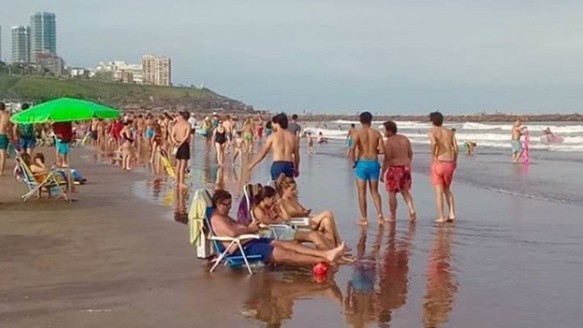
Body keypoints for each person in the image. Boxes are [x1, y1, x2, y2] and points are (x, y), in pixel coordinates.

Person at [210, 189, 347, 267]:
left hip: (249, 241)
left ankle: (327, 254)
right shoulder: (217, 218)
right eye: (225, 205)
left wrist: (249, 228)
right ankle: (326, 259)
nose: (228, 207)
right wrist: (250, 229)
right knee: (289, 255)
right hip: (241, 249)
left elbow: (239, 227)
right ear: (217, 203)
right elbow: (233, 232)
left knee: (289, 245)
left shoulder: (224, 216)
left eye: (229, 204)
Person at [252, 185, 333, 250]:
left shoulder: (270, 208)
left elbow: (287, 218)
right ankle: (328, 256)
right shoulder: (257, 209)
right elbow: (265, 221)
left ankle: (330, 252)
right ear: (266, 199)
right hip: (275, 233)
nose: (274, 201)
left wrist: (281, 206)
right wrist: (279, 221)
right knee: (313, 235)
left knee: (318, 235)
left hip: (283, 229)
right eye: (272, 199)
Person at [276, 174, 344, 247]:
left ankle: (332, 248)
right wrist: (298, 213)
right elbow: (287, 217)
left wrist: (305, 212)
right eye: (292, 189)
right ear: (284, 189)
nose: (294, 191)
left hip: (307, 221)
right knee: (328, 213)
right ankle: (339, 241)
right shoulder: (281, 202)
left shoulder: (293, 200)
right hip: (300, 225)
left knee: (327, 221)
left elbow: (303, 210)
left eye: (295, 189)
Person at [349, 111, 385, 225]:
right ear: (371, 120)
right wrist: (374, 151)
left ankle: (364, 218)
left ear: (360, 121)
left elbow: (352, 149)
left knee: (361, 192)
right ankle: (380, 215)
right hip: (374, 163)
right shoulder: (377, 133)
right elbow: (383, 150)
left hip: (362, 163)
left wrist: (353, 162)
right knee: (375, 191)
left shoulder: (357, 133)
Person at [380, 121, 416, 222]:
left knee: (392, 193)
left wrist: (383, 173)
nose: (383, 132)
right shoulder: (405, 139)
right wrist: (407, 163)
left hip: (395, 168)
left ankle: (392, 215)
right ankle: (411, 209)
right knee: (405, 191)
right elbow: (410, 153)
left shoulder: (389, 142)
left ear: (389, 130)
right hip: (406, 167)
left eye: (384, 130)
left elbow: (387, 159)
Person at [248, 113, 300, 181]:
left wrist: (252, 164)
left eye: (273, 123)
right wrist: (297, 168)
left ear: (278, 123)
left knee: (277, 189)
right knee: (287, 189)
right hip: (289, 165)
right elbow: (297, 155)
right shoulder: (293, 137)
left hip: (278, 164)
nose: (272, 125)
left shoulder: (273, 136)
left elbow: (262, 153)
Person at [428, 111, 458, 223]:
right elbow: (456, 148)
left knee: (438, 191)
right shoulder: (450, 132)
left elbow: (434, 143)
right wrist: (455, 160)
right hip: (450, 162)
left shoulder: (432, 131)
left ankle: (441, 216)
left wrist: (433, 154)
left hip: (439, 162)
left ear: (432, 121)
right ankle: (452, 213)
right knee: (447, 189)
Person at [170, 111, 191, 189]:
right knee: (183, 165)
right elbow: (187, 136)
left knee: (178, 164)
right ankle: (181, 182)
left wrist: (175, 142)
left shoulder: (176, 125)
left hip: (177, 143)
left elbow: (172, 135)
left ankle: (176, 180)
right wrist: (181, 143)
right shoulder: (188, 124)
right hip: (184, 144)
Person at [0, 102, 14, 176]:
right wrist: (12, 138)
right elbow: (10, 129)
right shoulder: (7, 116)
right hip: (2, 135)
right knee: (3, 155)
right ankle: (1, 172)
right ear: (4, 107)